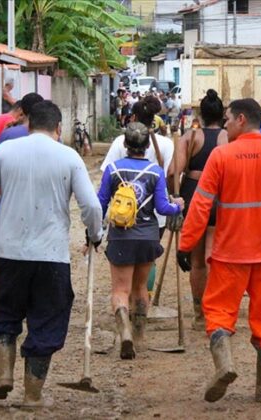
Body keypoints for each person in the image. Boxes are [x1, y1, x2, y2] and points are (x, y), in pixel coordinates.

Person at [0, 100, 103, 407]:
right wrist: (95, 234)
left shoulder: (5, 152)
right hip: (51, 258)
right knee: (46, 321)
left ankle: (4, 374)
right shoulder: (69, 157)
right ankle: (32, 395)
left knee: (6, 314)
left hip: (9, 254)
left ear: (28, 125)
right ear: (58, 128)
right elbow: (91, 206)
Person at [177, 98, 261, 404]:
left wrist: (186, 244)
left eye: (227, 119)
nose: (224, 124)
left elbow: (200, 205)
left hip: (230, 255)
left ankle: (225, 365)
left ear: (241, 119)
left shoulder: (222, 156)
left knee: (218, 312)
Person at [97, 122, 184, 359]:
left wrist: (93, 233)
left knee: (120, 289)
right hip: (147, 236)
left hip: (121, 236)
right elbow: (162, 208)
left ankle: (123, 332)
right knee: (140, 288)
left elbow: (100, 203)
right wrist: (178, 206)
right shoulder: (156, 172)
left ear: (125, 144)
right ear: (147, 147)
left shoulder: (112, 169)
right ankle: (138, 337)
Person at [101, 96, 175, 297]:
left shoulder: (119, 142)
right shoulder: (167, 144)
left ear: (133, 117)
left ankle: (126, 299)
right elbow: (171, 175)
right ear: (154, 118)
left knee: (125, 261)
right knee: (146, 260)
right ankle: (142, 299)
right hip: (154, 218)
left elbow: (107, 175)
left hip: (121, 214)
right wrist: (176, 205)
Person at [169, 89, 228, 329]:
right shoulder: (228, 137)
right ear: (222, 114)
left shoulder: (190, 137)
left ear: (200, 115)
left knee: (197, 260)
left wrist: (172, 196)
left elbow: (174, 171)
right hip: (222, 196)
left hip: (194, 194)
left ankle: (199, 312)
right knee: (214, 256)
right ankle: (216, 310)